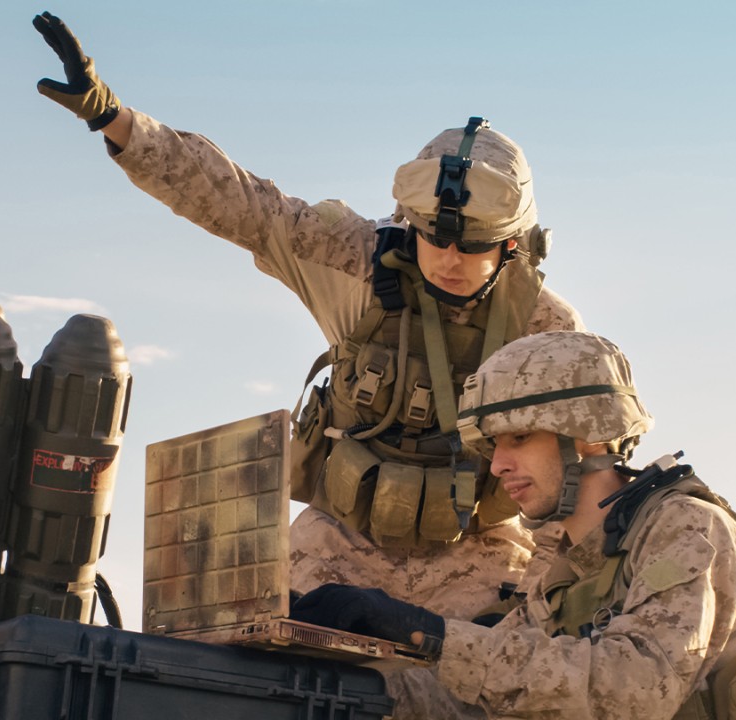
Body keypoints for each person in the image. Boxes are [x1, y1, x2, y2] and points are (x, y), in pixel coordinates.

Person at [32, 11, 584, 622]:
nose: (450, 258)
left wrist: (530, 605)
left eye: (473, 245)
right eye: (435, 237)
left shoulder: (547, 334)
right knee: (272, 661)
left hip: (477, 554)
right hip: (341, 540)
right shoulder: (358, 261)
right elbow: (245, 205)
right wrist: (116, 121)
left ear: (512, 245)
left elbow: (583, 477)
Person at [291, 331, 736, 719]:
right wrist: (333, 667)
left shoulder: (685, 528)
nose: (497, 465)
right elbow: (484, 695)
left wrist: (429, 633)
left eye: (519, 439)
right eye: (492, 447)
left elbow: (634, 690)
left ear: (590, 435)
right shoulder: (568, 563)